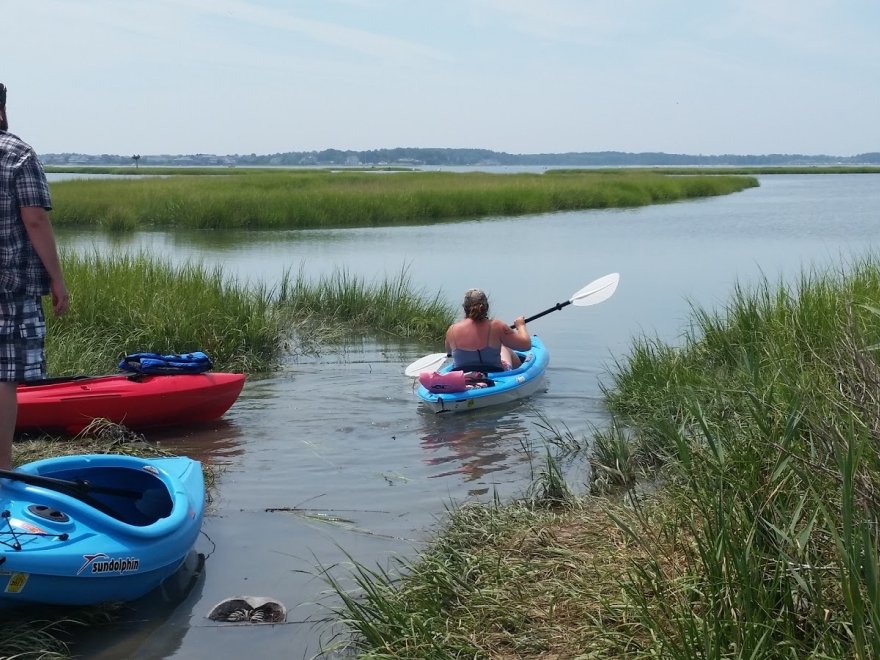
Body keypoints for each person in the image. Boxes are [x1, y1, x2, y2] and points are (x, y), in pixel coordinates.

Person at [0, 82, 69, 469]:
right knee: (3, 377)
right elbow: (35, 220)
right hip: (9, 286)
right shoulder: (17, 154)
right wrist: (57, 279)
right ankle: (2, 468)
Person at [445, 288, 530, 372]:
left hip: (464, 375)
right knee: (504, 348)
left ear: (464, 308)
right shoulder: (496, 326)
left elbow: (449, 352)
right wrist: (521, 326)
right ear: (486, 307)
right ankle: (518, 373)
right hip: (494, 373)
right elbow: (526, 345)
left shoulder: (452, 330)